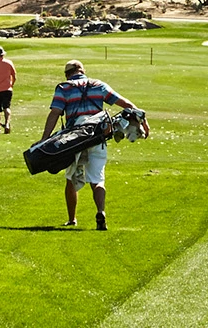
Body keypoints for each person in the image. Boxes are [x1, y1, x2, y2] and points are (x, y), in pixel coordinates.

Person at [42, 58, 138, 230]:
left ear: (67, 74)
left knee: (71, 179)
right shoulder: (98, 85)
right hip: (97, 137)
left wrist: (44, 139)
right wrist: (142, 122)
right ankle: (100, 211)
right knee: (98, 179)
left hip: (73, 140)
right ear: (83, 71)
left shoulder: (64, 88)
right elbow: (127, 105)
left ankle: (72, 219)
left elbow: (55, 113)